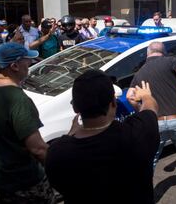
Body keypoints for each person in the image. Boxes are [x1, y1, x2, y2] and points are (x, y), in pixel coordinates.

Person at [45, 70, 159, 204]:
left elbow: (58, 185)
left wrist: (70, 135)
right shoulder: (136, 133)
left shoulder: (58, 153)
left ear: (75, 108)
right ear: (114, 103)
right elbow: (151, 109)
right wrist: (146, 96)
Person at [126, 41, 176, 201]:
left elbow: (130, 96)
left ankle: (145, 193)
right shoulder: (169, 61)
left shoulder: (140, 72)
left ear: (148, 54)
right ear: (163, 52)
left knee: (152, 157)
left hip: (155, 122)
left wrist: (144, 112)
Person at [0, 42, 54, 203]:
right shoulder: (18, 99)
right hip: (21, 183)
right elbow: (38, 149)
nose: (30, 63)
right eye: (27, 60)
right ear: (15, 66)